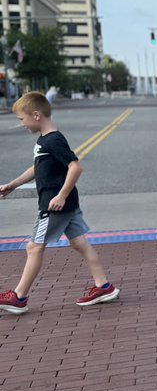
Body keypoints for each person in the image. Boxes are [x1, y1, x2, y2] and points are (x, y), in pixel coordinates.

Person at [0, 92, 120, 314]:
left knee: (34, 246)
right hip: (65, 204)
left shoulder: (54, 139)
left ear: (36, 115)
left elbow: (75, 167)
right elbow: (39, 167)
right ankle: (104, 286)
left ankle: (19, 297)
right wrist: (14, 184)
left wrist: (61, 195)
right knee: (79, 244)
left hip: (54, 205)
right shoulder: (45, 140)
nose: (21, 124)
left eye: (21, 119)